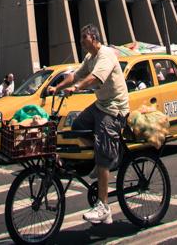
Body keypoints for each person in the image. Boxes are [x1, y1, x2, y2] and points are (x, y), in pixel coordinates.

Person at [49, 23, 129, 226]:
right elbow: (76, 75)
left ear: (93, 38)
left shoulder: (106, 55)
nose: (81, 42)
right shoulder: (89, 58)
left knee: (102, 154)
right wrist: (56, 87)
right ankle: (105, 152)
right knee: (77, 126)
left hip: (114, 109)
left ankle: (104, 206)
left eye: (84, 38)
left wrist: (75, 88)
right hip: (101, 105)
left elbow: (93, 78)